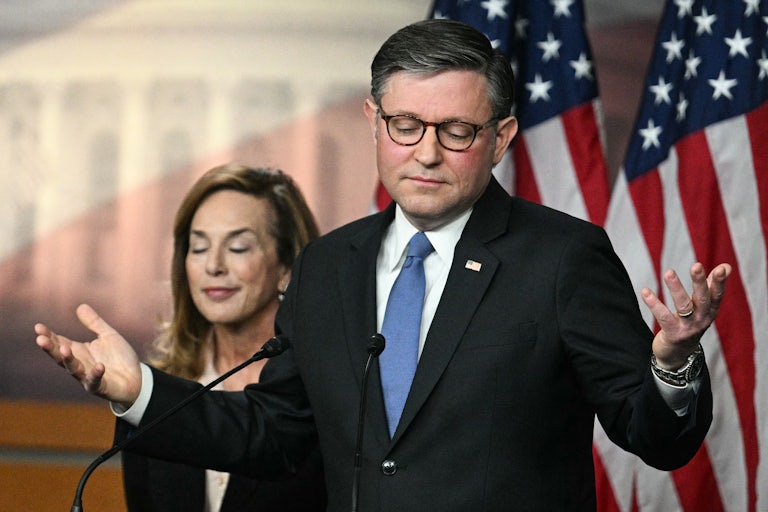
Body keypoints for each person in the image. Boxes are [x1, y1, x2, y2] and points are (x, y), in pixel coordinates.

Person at [35, 19, 732, 512]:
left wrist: (670, 364)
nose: (426, 153)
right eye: (406, 125)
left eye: (456, 131)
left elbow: (656, 438)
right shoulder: (328, 266)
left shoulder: (561, 258)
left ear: (500, 139)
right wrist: (140, 392)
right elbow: (274, 435)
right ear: (374, 120)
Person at [119, 164, 325, 511]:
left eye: (239, 247)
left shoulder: (326, 393)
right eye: (199, 248)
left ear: (288, 267)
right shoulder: (153, 393)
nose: (213, 265)